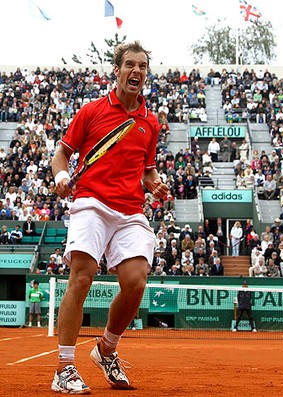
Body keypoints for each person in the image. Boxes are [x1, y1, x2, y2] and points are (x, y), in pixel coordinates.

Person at [51, 41, 169, 394]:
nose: (137, 71)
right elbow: (62, 154)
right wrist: (60, 177)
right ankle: (64, 368)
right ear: (116, 71)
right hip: (91, 202)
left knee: (135, 282)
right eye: (130, 64)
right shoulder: (90, 111)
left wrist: (155, 184)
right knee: (82, 277)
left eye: (143, 66)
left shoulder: (150, 121)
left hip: (130, 210)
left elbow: (146, 171)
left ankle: (105, 350)